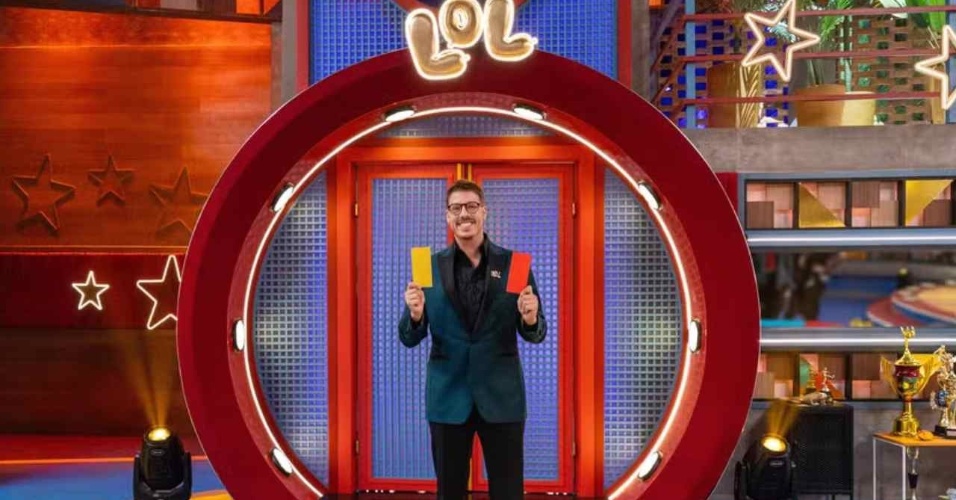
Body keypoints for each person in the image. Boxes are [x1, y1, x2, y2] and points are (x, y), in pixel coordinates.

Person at [398, 179, 547, 500]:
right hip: (447, 398)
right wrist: (415, 315)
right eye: (456, 208)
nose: (464, 214)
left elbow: (536, 332)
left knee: (508, 493)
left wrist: (530, 318)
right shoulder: (426, 265)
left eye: (471, 206)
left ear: (484, 212)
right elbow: (409, 337)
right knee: (450, 492)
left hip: (502, 398)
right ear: (447, 216)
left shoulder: (515, 264)